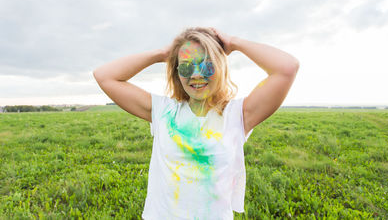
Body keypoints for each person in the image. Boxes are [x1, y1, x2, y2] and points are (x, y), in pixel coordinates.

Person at [93, 27, 299, 220]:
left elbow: (287, 68)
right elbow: (105, 76)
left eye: (207, 65)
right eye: (186, 66)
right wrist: (163, 54)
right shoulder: (164, 110)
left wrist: (234, 43)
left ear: (220, 67)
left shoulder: (238, 114)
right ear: (176, 72)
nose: (196, 74)